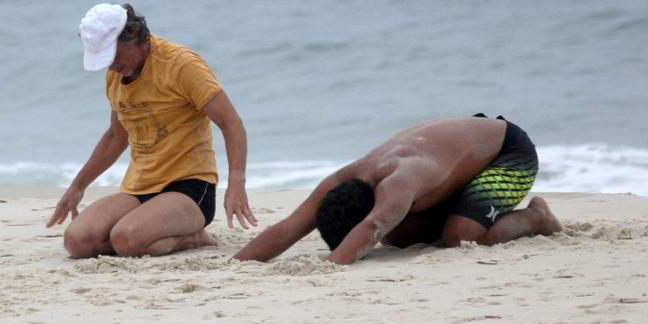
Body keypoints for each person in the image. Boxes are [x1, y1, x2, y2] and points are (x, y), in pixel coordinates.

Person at [47, 3, 257, 258]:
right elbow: (116, 135)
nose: (110, 66)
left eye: (112, 56)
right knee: (77, 241)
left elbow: (232, 124)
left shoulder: (180, 64)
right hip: (140, 188)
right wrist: (77, 187)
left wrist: (236, 182)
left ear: (132, 36)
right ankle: (148, 231)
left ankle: (194, 236)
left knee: (126, 239)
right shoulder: (116, 74)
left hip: (189, 188)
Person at [234, 114, 562, 265]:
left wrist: (329, 266)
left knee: (463, 235)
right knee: (401, 236)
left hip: (507, 153)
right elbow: (286, 229)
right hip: (454, 163)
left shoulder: (398, 181)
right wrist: (237, 264)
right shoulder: (342, 179)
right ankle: (456, 208)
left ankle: (537, 218)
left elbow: (372, 226)